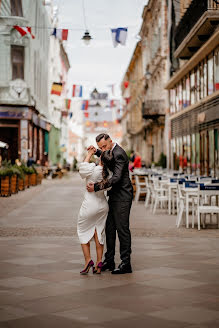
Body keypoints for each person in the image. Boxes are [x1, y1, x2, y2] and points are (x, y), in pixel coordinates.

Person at [87, 134, 133, 274]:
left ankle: (126, 264)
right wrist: (96, 151)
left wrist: (96, 187)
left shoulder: (119, 153)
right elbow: (107, 156)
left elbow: (117, 178)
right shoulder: (111, 151)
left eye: (104, 146)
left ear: (110, 141)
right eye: (101, 147)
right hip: (114, 196)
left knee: (122, 230)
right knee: (110, 229)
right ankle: (109, 260)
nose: (103, 149)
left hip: (123, 197)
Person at [78, 148, 113, 275]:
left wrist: (89, 153)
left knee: (82, 230)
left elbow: (82, 168)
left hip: (89, 204)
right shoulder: (108, 173)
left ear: (100, 159)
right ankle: (99, 262)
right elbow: (109, 185)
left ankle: (88, 260)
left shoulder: (92, 169)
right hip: (102, 205)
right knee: (99, 232)